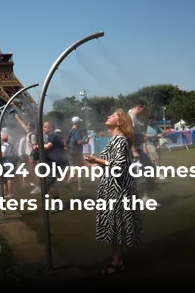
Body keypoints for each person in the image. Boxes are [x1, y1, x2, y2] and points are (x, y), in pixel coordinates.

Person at [84, 109, 142, 275]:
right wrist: (93, 164)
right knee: (115, 226)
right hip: (113, 189)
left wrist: (97, 160)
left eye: (113, 115)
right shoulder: (115, 140)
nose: (108, 116)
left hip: (118, 190)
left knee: (117, 225)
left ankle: (118, 262)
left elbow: (118, 167)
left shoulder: (120, 140)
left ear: (119, 122)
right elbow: (111, 163)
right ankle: (117, 260)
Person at [128, 100, 160, 206]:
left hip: (137, 149)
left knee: (148, 171)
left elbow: (144, 129)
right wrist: (133, 150)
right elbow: (129, 135)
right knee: (135, 177)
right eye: (144, 108)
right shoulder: (130, 117)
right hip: (133, 151)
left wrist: (146, 116)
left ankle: (145, 198)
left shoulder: (135, 118)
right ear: (138, 106)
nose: (144, 110)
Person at [34, 121, 67, 208]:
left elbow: (48, 146)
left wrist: (38, 146)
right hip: (52, 163)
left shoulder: (53, 136)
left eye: (45, 127)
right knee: (49, 184)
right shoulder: (49, 137)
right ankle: (56, 202)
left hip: (55, 163)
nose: (43, 128)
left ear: (50, 128)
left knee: (50, 184)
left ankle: (58, 203)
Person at [66, 117, 90, 191]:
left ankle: (79, 187)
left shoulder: (70, 131)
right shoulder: (77, 131)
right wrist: (86, 141)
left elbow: (66, 142)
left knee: (78, 168)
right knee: (77, 169)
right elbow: (79, 142)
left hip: (71, 152)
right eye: (80, 122)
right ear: (78, 123)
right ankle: (68, 182)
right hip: (76, 152)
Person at [145, 115, 165, 180]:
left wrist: (162, 134)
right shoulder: (144, 127)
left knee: (156, 160)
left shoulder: (156, 126)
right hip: (149, 144)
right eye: (149, 119)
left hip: (157, 144)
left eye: (152, 119)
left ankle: (153, 173)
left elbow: (163, 132)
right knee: (156, 159)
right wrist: (146, 135)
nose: (150, 120)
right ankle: (158, 173)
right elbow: (142, 134)